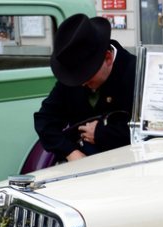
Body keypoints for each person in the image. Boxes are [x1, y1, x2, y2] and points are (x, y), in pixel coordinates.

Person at [34, 14, 136, 162]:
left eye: (87, 76)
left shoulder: (136, 73)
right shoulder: (73, 78)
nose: (81, 84)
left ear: (108, 58)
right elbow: (44, 120)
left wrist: (102, 134)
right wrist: (70, 152)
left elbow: (152, 131)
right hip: (82, 167)